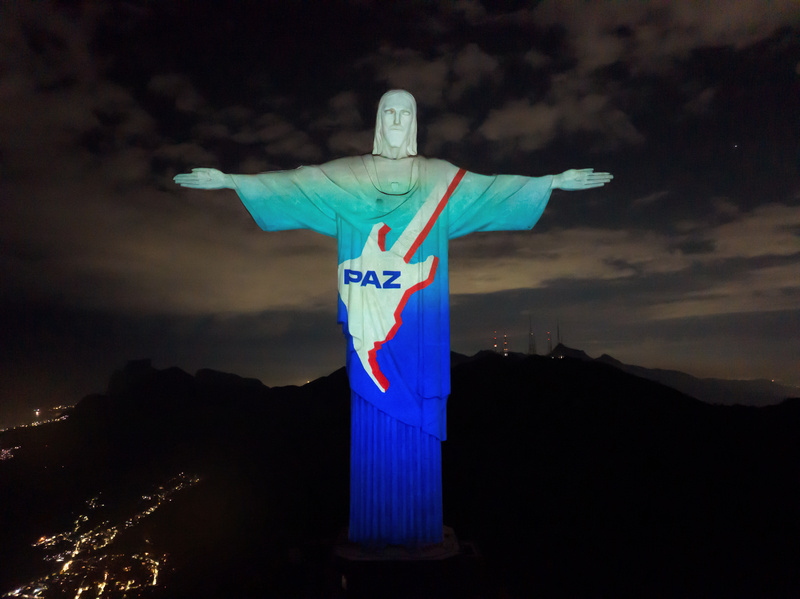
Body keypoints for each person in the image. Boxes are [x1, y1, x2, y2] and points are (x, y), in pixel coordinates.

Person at [174, 89, 612, 547]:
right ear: (379, 121)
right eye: (390, 112)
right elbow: (297, 184)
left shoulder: (437, 179)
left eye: (406, 113)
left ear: (415, 122)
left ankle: (417, 531)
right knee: (370, 423)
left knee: (418, 438)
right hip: (372, 336)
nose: (398, 120)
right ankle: (375, 529)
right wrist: (230, 180)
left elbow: (492, 188)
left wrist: (552, 181)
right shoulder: (350, 177)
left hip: (419, 338)